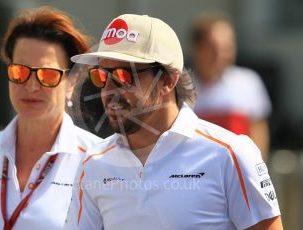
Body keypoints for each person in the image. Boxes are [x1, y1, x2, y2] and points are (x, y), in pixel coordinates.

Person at [64, 14, 282, 229]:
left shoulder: (230, 154)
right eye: (100, 76)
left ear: (167, 80)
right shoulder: (92, 164)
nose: (108, 90)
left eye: (123, 76)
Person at [0, 7, 101, 230]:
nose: (31, 86)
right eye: (19, 72)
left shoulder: (98, 161)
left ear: (72, 81)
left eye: (47, 75)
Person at [190, 13, 272, 161]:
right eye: (213, 47)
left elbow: (259, 131)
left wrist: (257, 168)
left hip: (237, 172)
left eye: (227, 47)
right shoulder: (178, 85)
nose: (221, 54)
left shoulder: (248, 82)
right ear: (197, 48)